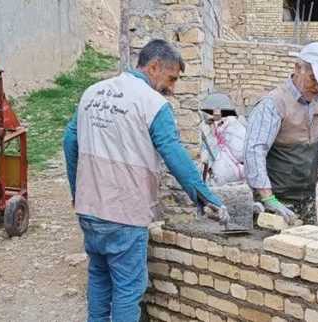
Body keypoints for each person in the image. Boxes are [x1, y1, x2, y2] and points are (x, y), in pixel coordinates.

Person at [63, 39, 229, 322]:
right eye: (171, 78)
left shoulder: (92, 93)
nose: (173, 88)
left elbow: (69, 142)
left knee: (100, 278)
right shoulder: (153, 103)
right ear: (153, 67)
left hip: (89, 210)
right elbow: (173, 152)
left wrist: (78, 192)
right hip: (124, 215)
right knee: (129, 289)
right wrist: (207, 197)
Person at [244, 42, 318, 226]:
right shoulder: (273, 104)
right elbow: (254, 151)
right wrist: (268, 199)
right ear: (298, 68)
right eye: (313, 79)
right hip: (275, 198)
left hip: (306, 196)